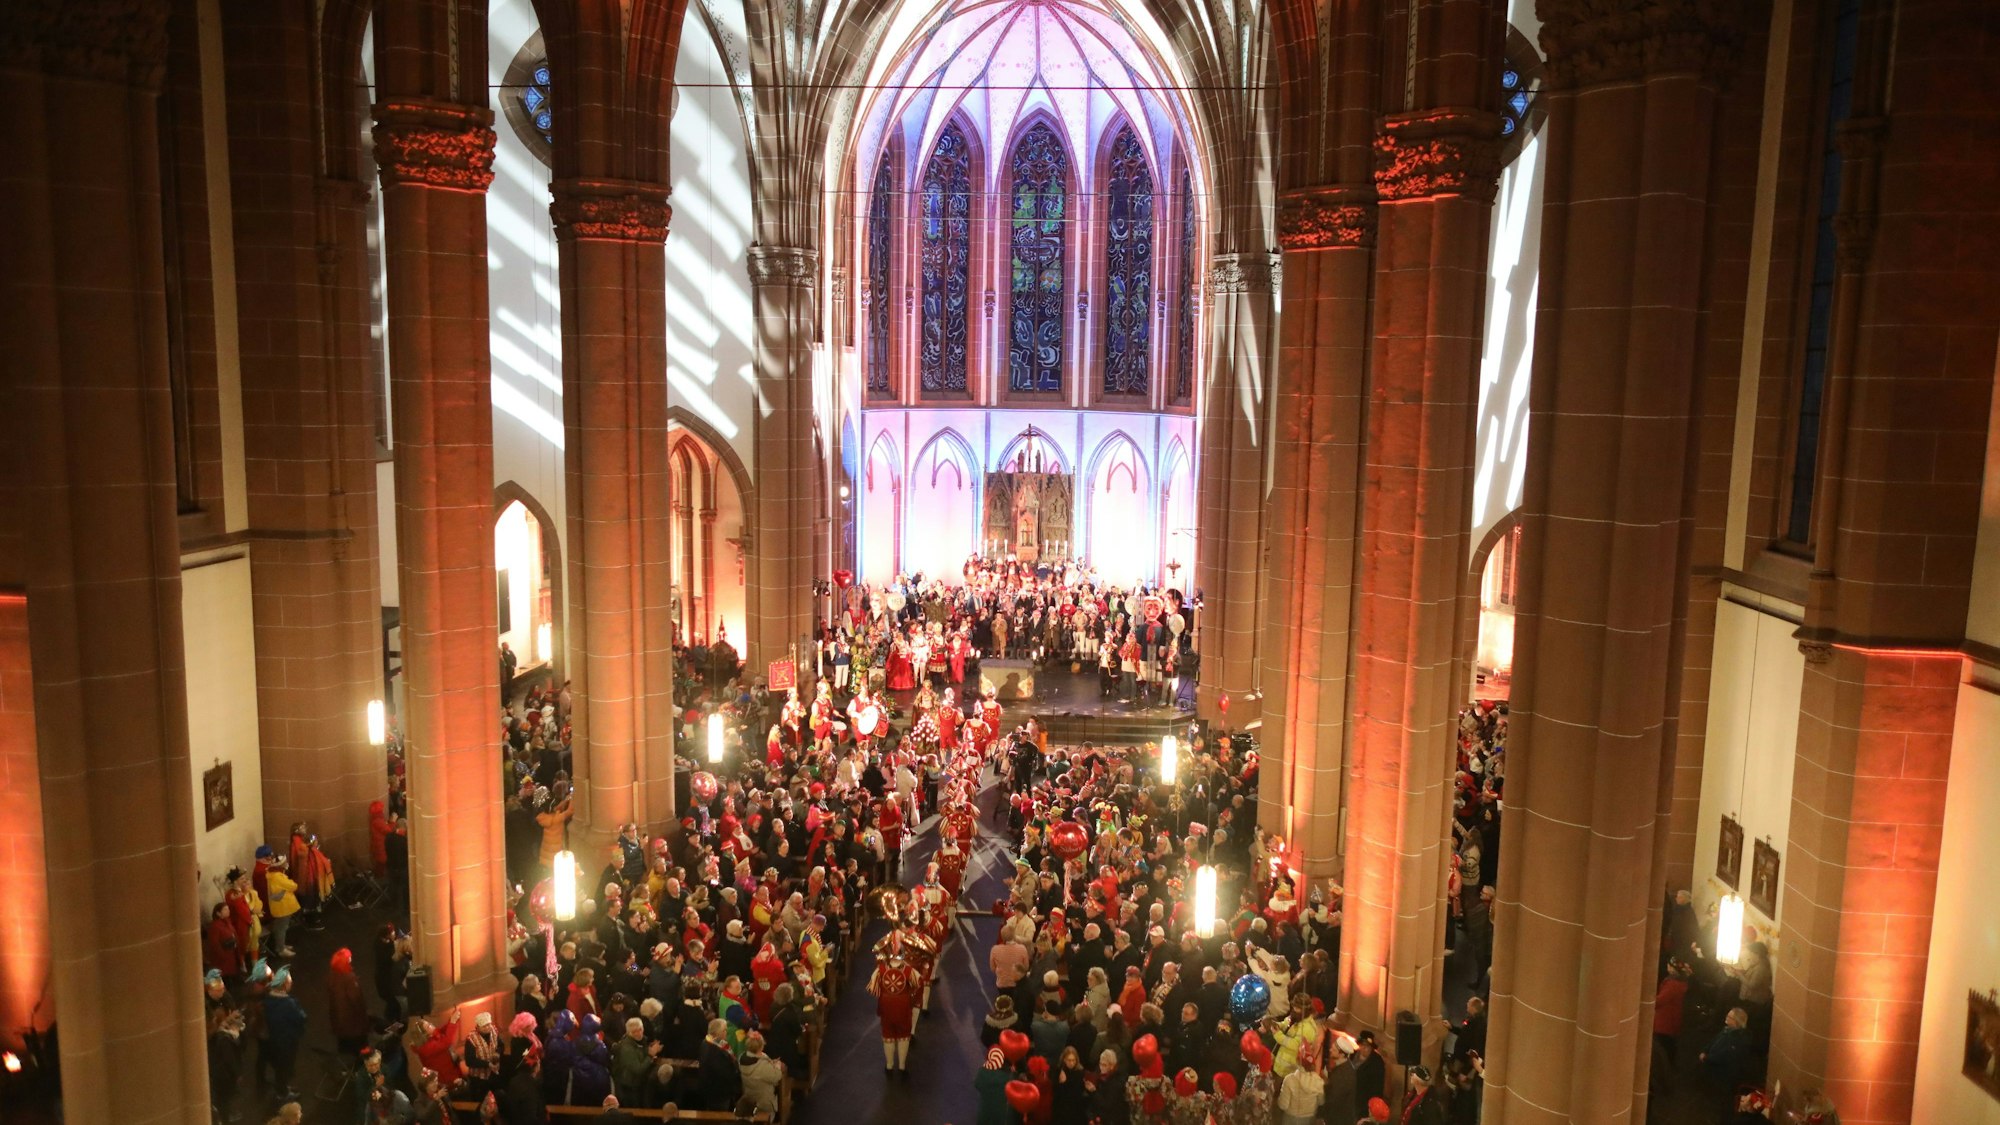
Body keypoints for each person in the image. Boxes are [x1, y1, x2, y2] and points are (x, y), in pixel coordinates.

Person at [261, 968, 308, 1102]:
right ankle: (282, 1092)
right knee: (285, 1067)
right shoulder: (289, 1004)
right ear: (284, 985)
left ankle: (283, 1088)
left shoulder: (268, 1000)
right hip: (287, 1041)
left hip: (274, 1039)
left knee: (280, 1067)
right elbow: (301, 1017)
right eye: (289, 982)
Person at [739, 1031, 785, 1114]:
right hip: (763, 1104)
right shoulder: (762, 1065)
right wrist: (778, 1066)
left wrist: (770, 1062)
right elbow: (776, 1077)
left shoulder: (742, 1058)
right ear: (761, 1047)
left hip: (749, 1100)